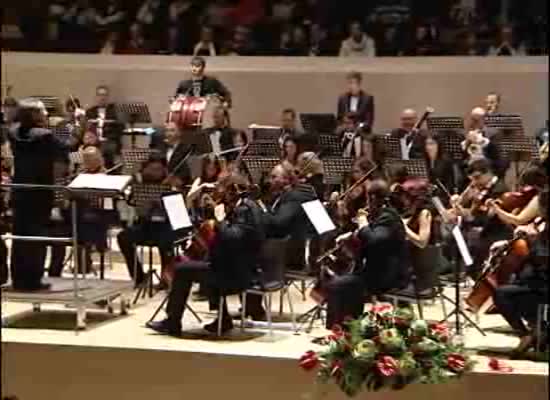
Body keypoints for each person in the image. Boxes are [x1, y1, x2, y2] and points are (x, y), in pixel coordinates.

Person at [147, 172, 265, 336]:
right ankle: (223, 319)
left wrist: (219, 219)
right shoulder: (248, 205)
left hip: (238, 275)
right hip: (241, 268)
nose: (218, 191)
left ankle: (172, 322)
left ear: (233, 189)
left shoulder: (244, 210)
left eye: (220, 187)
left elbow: (233, 237)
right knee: (209, 260)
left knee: (182, 269)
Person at [326, 180, 409, 328]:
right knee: (340, 279)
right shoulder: (382, 215)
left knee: (339, 285)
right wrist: (351, 236)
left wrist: (362, 223)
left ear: (372, 198)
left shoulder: (389, 216)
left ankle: (343, 330)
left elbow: (374, 239)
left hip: (388, 276)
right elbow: (371, 236)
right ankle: (348, 327)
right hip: (377, 271)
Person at [8, 98, 69, 290]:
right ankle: (33, 280)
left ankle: (18, 279)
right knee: (37, 237)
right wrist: (64, 124)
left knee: (20, 237)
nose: (46, 114)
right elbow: (64, 151)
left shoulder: (13, 132)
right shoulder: (46, 136)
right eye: (43, 112)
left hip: (19, 191)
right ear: (34, 115)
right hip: (40, 193)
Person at [244, 163, 318, 319]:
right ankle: (250, 307)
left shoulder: (294, 197)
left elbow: (278, 224)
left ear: (286, 179)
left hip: (287, 256)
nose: (269, 180)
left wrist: (259, 205)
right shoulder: (283, 196)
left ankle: (252, 308)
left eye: (274, 176)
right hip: (281, 251)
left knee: (243, 256)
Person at [492, 186, 548, 357]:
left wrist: (530, 241)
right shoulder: (544, 225)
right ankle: (538, 331)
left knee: (501, 294)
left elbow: (544, 259)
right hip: (536, 280)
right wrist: (508, 244)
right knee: (514, 285)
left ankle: (527, 334)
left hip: (544, 284)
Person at [117, 152, 173, 287]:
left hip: (166, 226)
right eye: (152, 169)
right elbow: (136, 209)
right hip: (146, 225)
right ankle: (139, 277)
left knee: (166, 241)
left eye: (158, 170)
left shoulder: (171, 184)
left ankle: (166, 279)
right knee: (123, 237)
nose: (155, 173)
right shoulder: (139, 185)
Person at [450, 158, 513, 277]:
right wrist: (460, 202)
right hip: (479, 227)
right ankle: (465, 272)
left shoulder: (499, 190)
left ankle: (476, 275)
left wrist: (468, 216)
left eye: (477, 178)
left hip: (495, 231)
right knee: (452, 237)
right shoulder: (479, 187)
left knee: (475, 244)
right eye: (472, 179)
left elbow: (488, 219)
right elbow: (472, 211)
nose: (474, 182)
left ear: (488, 173)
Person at [398, 178, 444, 294]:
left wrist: (403, 227)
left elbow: (422, 242)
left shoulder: (425, 213)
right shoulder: (412, 211)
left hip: (420, 273)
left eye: (404, 195)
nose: (402, 199)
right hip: (414, 262)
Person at [85, 85, 122, 168]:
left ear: (108, 97)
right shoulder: (90, 112)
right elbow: (87, 128)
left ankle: (104, 169)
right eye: (100, 95)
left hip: (109, 140)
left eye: (104, 95)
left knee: (108, 147)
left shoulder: (115, 112)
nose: (102, 97)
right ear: (96, 97)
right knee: (86, 148)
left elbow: (120, 129)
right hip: (94, 141)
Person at [149, 121, 192, 189]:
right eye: (167, 131)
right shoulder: (160, 148)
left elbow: (186, 173)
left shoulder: (186, 149)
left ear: (179, 133)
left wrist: (172, 182)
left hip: (178, 188)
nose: (168, 133)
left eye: (172, 130)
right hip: (158, 187)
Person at [186, 154, 223, 223]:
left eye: (214, 168)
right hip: (203, 219)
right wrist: (203, 186)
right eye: (209, 169)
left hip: (218, 217)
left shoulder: (220, 179)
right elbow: (189, 198)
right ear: (204, 168)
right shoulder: (199, 180)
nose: (211, 172)